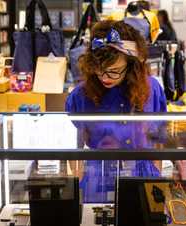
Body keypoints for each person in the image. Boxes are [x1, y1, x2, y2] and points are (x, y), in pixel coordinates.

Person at [65, 20, 167, 202]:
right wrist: (79, 181)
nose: (105, 77)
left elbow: (159, 140)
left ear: (131, 65)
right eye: (99, 70)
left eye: (114, 71)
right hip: (99, 175)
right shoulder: (81, 95)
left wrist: (157, 177)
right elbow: (75, 146)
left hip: (142, 173)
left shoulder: (152, 90)